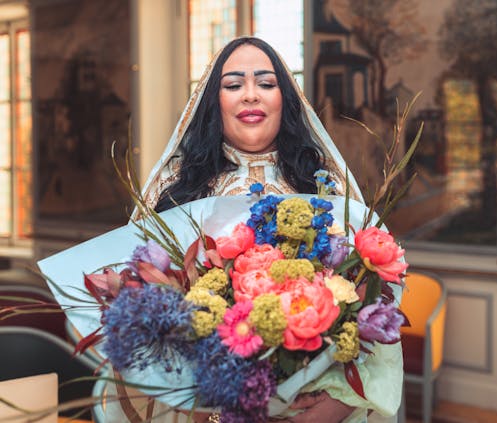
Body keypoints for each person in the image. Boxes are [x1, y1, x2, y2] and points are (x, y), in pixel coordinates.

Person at [109, 36, 403, 423]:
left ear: (286, 98)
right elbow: (137, 313)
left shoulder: (327, 186)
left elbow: (373, 312)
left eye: (266, 83)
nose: (251, 95)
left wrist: (339, 401)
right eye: (233, 85)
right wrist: (206, 405)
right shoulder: (173, 190)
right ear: (213, 100)